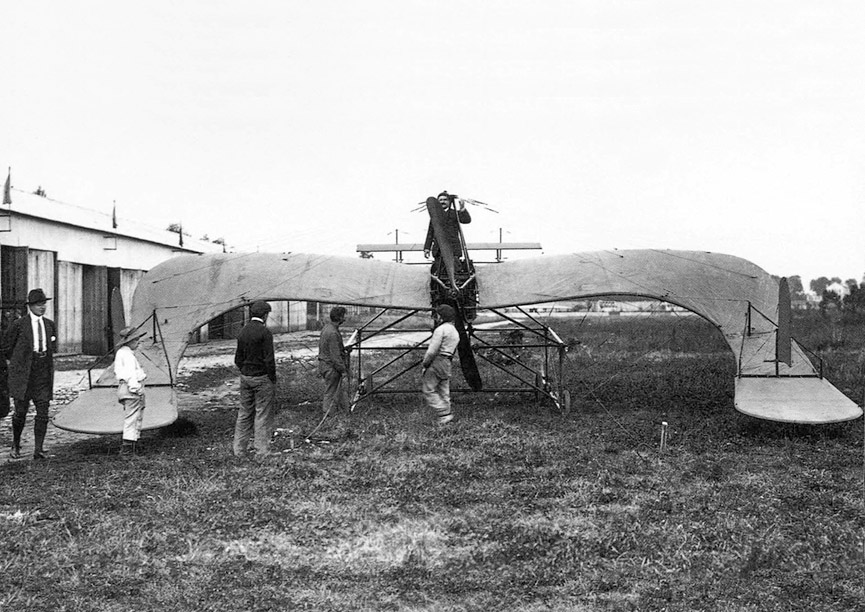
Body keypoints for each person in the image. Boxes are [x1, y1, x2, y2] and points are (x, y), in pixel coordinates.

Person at [4, 288, 57, 459]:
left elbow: (51, 348)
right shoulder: (19, 325)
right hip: (24, 374)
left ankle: (38, 450)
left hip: (42, 372)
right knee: (20, 412)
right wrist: (18, 364)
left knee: (43, 411)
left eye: (44, 304)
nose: (42, 307)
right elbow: (6, 349)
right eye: (38, 304)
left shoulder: (49, 325)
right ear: (30, 306)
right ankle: (16, 445)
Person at [233, 300, 277, 458]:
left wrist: (245, 370)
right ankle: (261, 452)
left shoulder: (242, 331)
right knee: (262, 415)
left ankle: (239, 450)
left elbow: (237, 359)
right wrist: (272, 378)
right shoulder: (265, 333)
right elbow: (269, 360)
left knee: (244, 413)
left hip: (245, 377)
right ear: (265, 315)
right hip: (261, 378)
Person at [421, 304, 460, 424]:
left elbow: (432, 351)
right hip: (447, 361)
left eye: (437, 315)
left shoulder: (440, 330)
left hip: (437, 360)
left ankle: (443, 412)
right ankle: (446, 415)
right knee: (444, 389)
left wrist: (425, 364)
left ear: (441, 317)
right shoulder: (454, 331)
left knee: (428, 389)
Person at [113, 326, 148, 456]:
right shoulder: (127, 355)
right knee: (132, 417)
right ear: (130, 341)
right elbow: (130, 374)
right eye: (136, 340)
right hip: (131, 388)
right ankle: (128, 448)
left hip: (125, 387)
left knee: (135, 416)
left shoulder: (122, 353)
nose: (138, 342)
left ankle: (133, 444)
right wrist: (136, 388)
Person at [423, 191, 471, 277]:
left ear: (449, 202)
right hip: (438, 249)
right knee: (439, 273)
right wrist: (427, 248)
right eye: (440, 200)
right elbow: (430, 233)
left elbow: (466, 220)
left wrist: (462, 208)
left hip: (453, 249)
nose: (442, 202)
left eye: (445, 200)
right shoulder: (434, 217)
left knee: (456, 272)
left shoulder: (454, 213)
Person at [317, 306, 350, 427]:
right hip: (331, 367)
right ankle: (328, 419)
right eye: (344, 315)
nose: (346, 318)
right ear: (340, 317)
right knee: (330, 393)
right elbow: (335, 356)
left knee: (337, 391)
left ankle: (344, 414)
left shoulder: (328, 328)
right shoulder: (333, 333)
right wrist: (343, 370)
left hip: (325, 365)